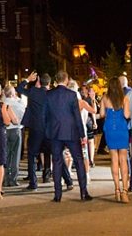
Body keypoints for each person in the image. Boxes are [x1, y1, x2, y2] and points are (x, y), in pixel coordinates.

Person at [45, 70, 91, 202]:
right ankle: (83, 192)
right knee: (79, 160)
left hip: (55, 132)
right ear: (66, 80)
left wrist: (47, 130)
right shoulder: (71, 95)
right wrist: (82, 134)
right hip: (71, 132)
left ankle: (57, 194)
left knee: (57, 162)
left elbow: (45, 115)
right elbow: (77, 116)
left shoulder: (48, 95)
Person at [16, 72, 52, 189]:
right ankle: (60, 179)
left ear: (38, 82)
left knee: (32, 155)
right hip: (48, 128)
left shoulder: (33, 92)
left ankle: (33, 183)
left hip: (35, 128)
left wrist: (27, 79)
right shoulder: (52, 94)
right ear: (49, 83)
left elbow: (19, 88)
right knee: (51, 153)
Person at [101, 77, 131, 203]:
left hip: (110, 129)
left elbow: (102, 114)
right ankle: (125, 191)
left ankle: (117, 190)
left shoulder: (104, 98)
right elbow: (127, 115)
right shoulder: (124, 98)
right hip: (121, 129)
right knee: (123, 159)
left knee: (114, 159)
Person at [3, 84, 26, 187]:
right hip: (15, 130)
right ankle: (13, 179)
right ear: (13, 94)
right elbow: (23, 115)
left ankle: (6, 178)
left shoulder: (2, 103)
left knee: (6, 155)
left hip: (4, 130)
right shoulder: (18, 104)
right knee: (15, 155)